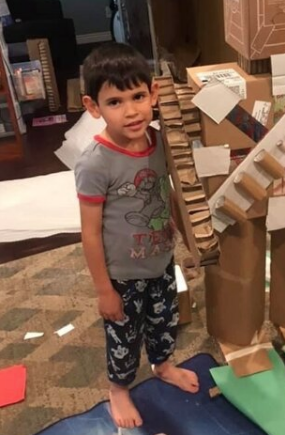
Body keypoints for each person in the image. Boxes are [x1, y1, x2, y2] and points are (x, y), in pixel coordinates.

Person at [75, 43, 199, 429]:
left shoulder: (161, 141)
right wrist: (103, 290)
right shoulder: (95, 163)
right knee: (124, 337)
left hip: (161, 260)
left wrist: (190, 243)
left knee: (164, 324)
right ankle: (119, 389)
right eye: (115, 102)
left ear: (154, 94)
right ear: (93, 107)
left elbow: (170, 193)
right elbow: (90, 233)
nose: (131, 111)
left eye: (138, 96)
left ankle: (163, 365)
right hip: (122, 275)